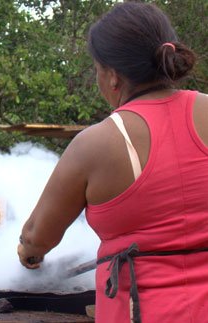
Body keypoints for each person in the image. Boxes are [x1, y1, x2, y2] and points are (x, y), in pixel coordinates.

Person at [17, 2, 208, 322]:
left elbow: (38, 235)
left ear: (113, 76)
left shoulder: (96, 144)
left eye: (97, 69)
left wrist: (28, 254)